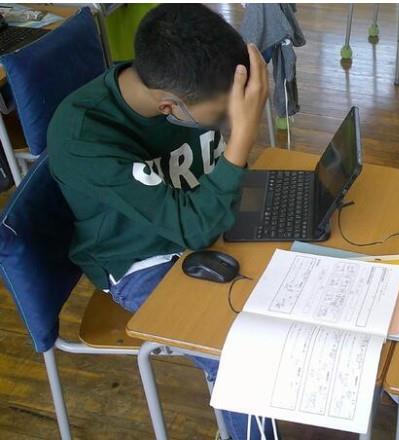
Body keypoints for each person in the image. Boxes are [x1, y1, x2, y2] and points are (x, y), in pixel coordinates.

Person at [47, 5, 276, 439]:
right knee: (236, 352)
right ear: (170, 106)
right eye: (223, 115)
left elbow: (201, 217)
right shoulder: (84, 137)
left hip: (204, 218)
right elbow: (194, 229)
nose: (232, 120)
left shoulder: (180, 81)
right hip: (142, 259)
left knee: (318, 254)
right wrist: (243, 137)